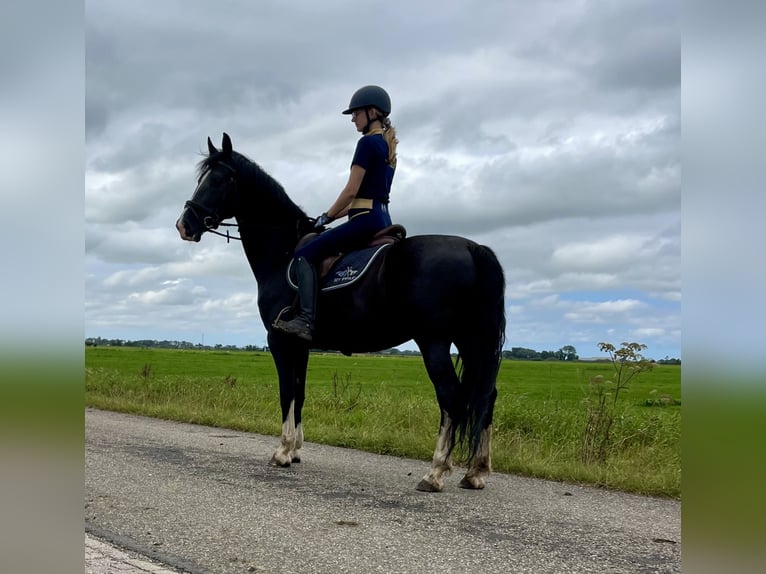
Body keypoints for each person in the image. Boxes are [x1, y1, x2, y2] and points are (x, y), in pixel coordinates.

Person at [273, 85, 399, 342]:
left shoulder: (366, 143)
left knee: (304, 254)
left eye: (356, 113)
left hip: (365, 221)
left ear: (372, 112)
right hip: (380, 217)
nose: (353, 118)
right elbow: (363, 198)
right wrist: (333, 215)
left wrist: (326, 217)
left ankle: (306, 320)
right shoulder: (388, 147)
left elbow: (351, 191)